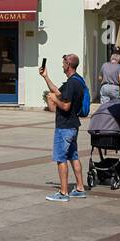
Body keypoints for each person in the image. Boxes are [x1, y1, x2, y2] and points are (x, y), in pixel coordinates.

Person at [41, 54, 88, 201]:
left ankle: (63, 192)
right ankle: (80, 188)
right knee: (73, 156)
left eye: (63, 63)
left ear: (68, 64)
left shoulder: (72, 83)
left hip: (65, 126)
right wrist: (46, 77)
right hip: (73, 125)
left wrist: (54, 100)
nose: (62, 65)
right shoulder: (76, 81)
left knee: (61, 158)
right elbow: (59, 92)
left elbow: (65, 106)